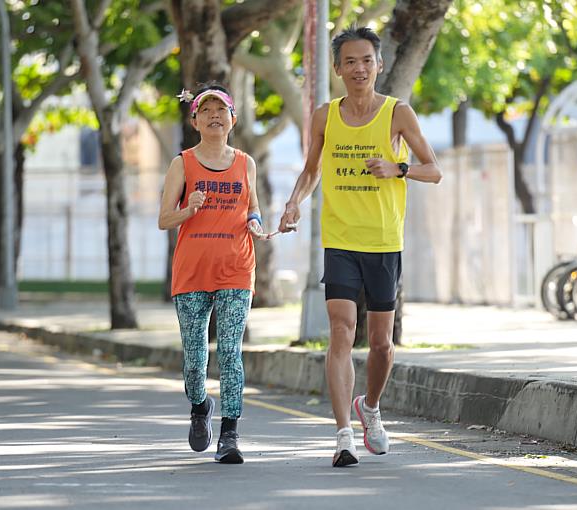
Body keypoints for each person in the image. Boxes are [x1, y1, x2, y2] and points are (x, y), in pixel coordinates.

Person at [279, 26, 443, 467]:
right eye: (349, 61)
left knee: (382, 344)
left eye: (366, 60)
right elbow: (311, 170)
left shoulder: (397, 113)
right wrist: (294, 202)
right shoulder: (323, 116)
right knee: (340, 331)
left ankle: (369, 408)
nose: (358, 68)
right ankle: (343, 435)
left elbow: (434, 169)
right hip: (340, 239)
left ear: (379, 65)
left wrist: (398, 168)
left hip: (383, 241)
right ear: (337, 69)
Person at [158, 83, 268, 464]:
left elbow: (252, 207)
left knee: (231, 351)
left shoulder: (245, 163)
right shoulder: (182, 163)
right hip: (191, 273)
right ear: (195, 120)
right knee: (194, 360)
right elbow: (163, 219)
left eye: (221, 110)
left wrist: (255, 222)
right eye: (206, 110)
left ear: (233, 119)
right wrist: (189, 208)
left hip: (236, 268)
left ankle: (231, 434)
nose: (214, 116)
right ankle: (200, 406)